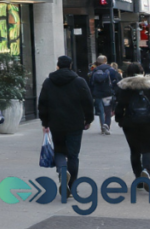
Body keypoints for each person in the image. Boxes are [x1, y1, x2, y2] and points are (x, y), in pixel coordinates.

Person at [38, 55, 94, 197]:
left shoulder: (49, 82)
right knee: (74, 155)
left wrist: (45, 122)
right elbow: (88, 101)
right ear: (70, 65)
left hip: (55, 123)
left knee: (59, 151)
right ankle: (71, 186)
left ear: (58, 65)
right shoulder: (79, 82)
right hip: (75, 123)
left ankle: (62, 170)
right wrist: (89, 119)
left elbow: (42, 103)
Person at [114, 63, 150, 190]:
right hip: (148, 122)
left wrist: (119, 119)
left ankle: (138, 178)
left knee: (135, 151)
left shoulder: (124, 87)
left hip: (130, 123)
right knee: (148, 150)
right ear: (142, 72)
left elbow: (119, 106)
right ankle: (147, 170)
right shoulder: (149, 85)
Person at [88, 55, 121, 135]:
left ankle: (102, 125)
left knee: (101, 110)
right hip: (108, 93)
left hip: (97, 93)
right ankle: (106, 125)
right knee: (108, 110)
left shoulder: (95, 70)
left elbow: (91, 83)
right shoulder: (110, 70)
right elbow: (118, 80)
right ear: (106, 61)